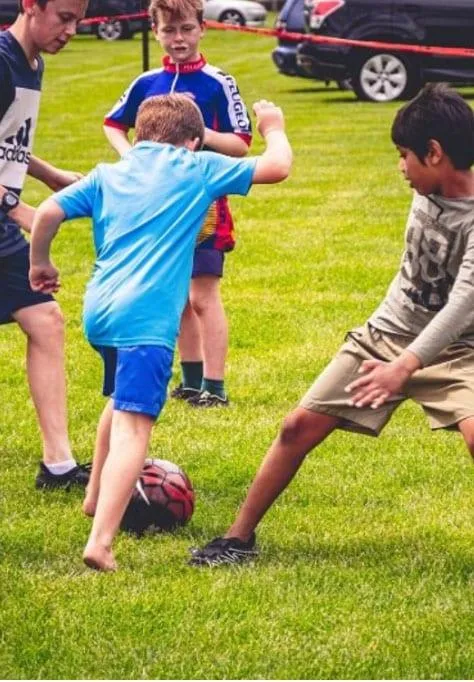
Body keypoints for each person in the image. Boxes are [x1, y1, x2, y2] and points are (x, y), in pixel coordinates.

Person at [190, 83, 474, 567]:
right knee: (297, 427)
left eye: (405, 155)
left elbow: (464, 302)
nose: (400, 167)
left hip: (461, 348)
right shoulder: (429, 183)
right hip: (387, 333)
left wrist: (404, 368)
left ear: (435, 153)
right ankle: (237, 539)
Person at [29, 93, 292, 571]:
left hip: (100, 313)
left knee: (118, 399)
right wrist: (272, 125)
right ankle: (101, 541)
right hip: (145, 321)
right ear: (191, 141)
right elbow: (277, 167)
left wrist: (41, 262)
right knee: (135, 426)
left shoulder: (111, 172)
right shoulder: (196, 167)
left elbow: (47, 212)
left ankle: (93, 496)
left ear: (138, 135)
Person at [103, 0, 252, 408]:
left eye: (187, 28)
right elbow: (113, 123)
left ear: (203, 28)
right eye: (169, 31)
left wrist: (200, 135)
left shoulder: (218, 82)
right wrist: (130, 155)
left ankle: (216, 387)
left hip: (202, 207)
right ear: (155, 32)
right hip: (156, 209)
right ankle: (190, 380)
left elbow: (241, 143)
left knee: (204, 295)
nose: (179, 38)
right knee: (178, 297)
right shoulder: (146, 82)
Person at [0, 0, 90, 489]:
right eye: (64, 18)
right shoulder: (1, 59)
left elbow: (7, 136)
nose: (71, 30)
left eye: (79, 19)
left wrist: (50, 175)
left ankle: (58, 465)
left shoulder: (30, 62)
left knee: (45, 319)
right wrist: (19, 211)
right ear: (30, 5)